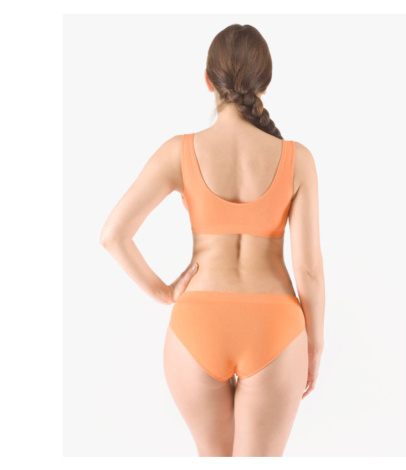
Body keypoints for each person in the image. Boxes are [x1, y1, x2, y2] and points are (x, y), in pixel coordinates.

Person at [100, 23, 325, 457]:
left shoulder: (178, 152)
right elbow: (310, 271)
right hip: (275, 327)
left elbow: (113, 235)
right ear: (266, 82)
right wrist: (314, 345)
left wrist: (165, 292)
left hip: (197, 325)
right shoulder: (298, 160)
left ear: (208, 80)